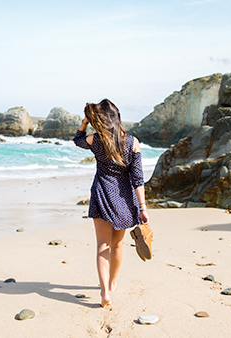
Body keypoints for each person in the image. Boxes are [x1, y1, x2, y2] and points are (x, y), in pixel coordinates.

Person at [73, 98, 152, 308]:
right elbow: (138, 179)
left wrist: (84, 122)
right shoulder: (132, 142)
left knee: (102, 246)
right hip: (124, 200)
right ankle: (112, 282)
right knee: (117, 245)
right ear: (117, 119)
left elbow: (77, 139)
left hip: (101, 195)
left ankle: (104, 292)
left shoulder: (96, 140)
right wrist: (142, 208)